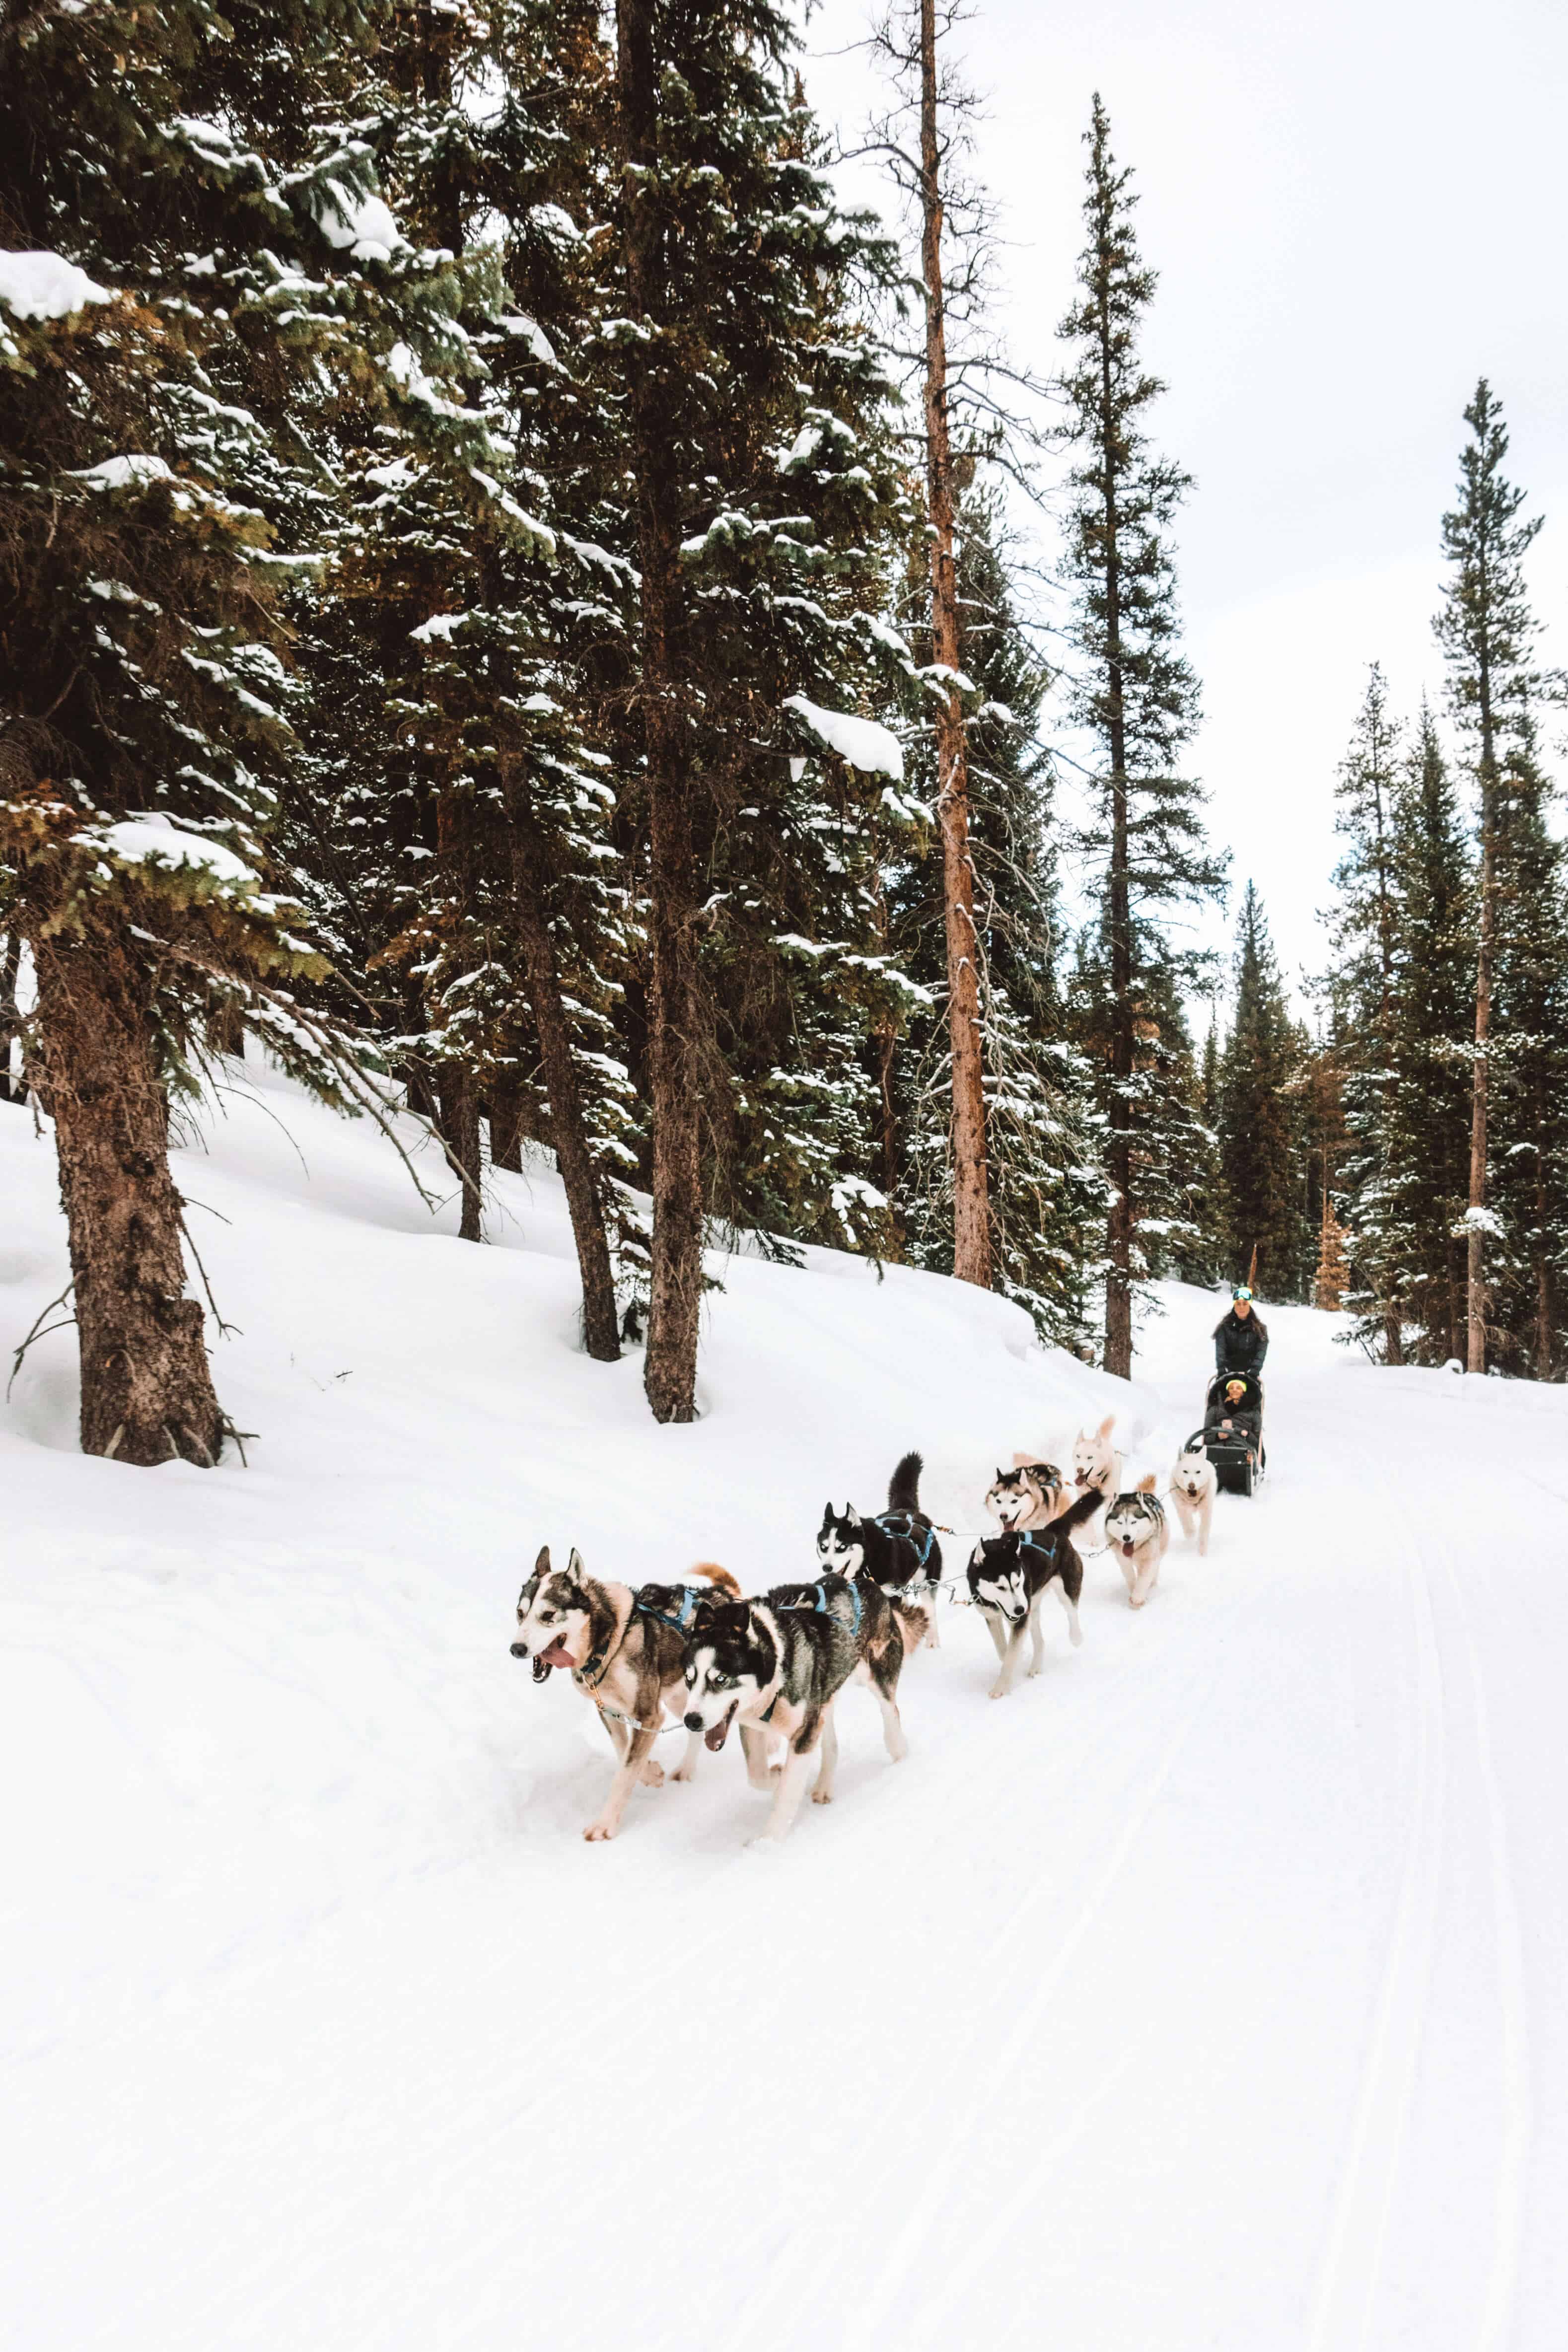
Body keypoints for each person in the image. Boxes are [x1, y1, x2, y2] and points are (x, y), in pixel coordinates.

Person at [1213, 1285, 1268, 1377]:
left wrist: (1255, 1369)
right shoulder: (1224, 1328)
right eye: (1238, 1304)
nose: (1241, 1307)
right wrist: (1222, 1368)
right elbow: (1221, 1350)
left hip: (1250, 1374)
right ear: (1234, 1306)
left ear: (1250, 1306)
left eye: (1245, 1304)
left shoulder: (1260, 1330)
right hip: (1227, 1373)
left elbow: (1261, 1352)